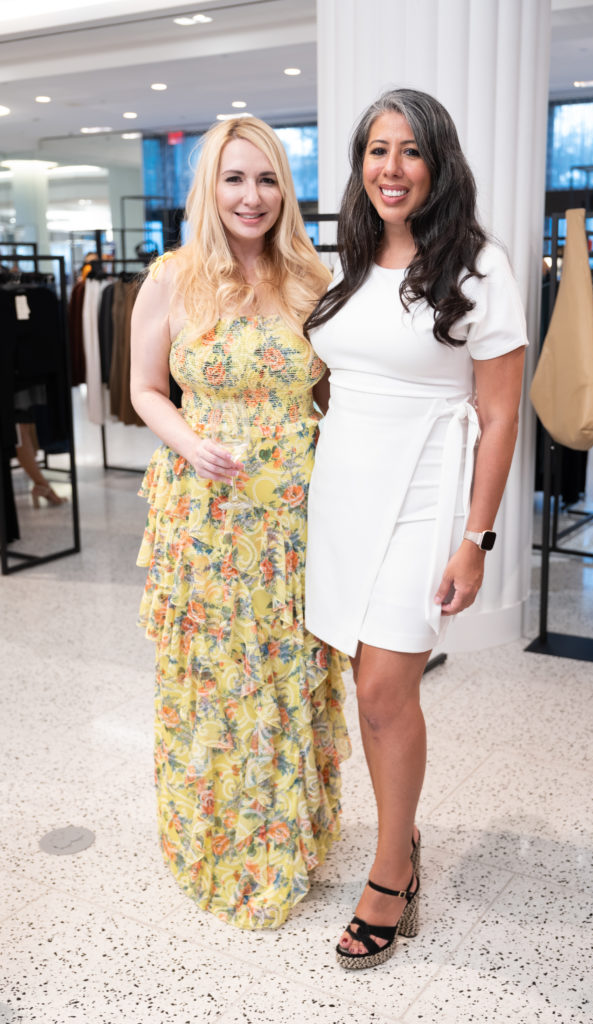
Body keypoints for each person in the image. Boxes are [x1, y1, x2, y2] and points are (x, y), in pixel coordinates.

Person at [303, 88, 527, 969]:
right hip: (343, 491)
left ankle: (391, 867)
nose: (389, 169)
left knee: (385, 689)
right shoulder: (345, 262)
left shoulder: (477, 267)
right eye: (374, 151)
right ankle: (403, 838)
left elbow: (501, 415)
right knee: (370, 686)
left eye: (408, 152)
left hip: (426, 491)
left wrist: (474, 538)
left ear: (437, 163)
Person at [130, 116, 350, 929]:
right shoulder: (173, 278)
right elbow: (146, 387)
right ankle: (220, 838)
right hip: (207, 515)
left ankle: (289, 832)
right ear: (208, 189)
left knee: (290, 675)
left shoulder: (311, 279)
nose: (250, 196)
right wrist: (193, 442)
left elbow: (337, 394)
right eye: (233, 179)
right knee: (218, 683)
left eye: (265, 180)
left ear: (284, 191)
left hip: (297, 514)